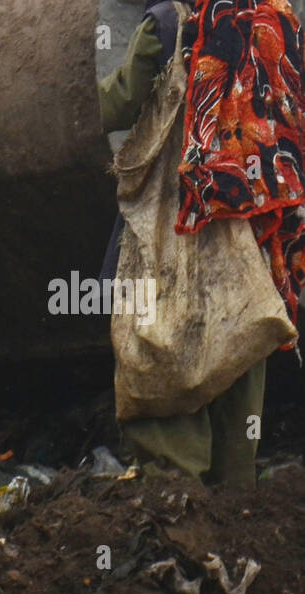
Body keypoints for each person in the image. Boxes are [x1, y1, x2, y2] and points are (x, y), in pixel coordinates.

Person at [98, 0, 305, 489]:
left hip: (181, 215)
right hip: (254, 224)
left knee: (164, 352)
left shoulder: (167, 25)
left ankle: (180, 503)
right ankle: (234, 515)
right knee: (241, 349)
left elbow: (118, 104)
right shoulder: (276, 17)